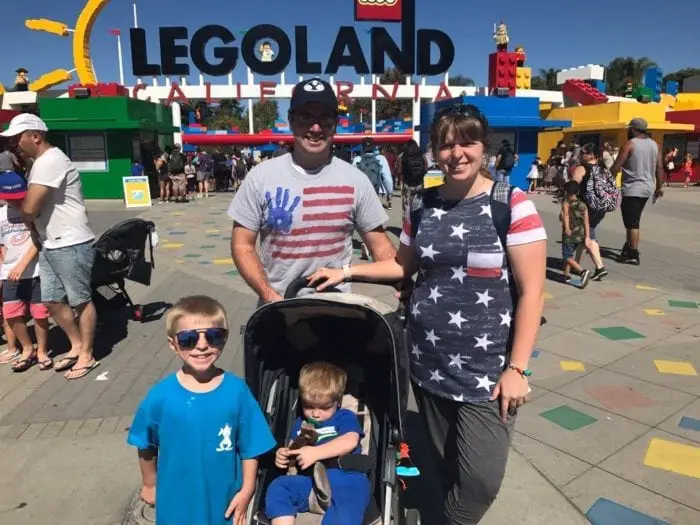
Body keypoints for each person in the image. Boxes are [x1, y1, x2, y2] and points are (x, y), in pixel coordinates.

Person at [309, 104, 547, 524]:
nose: (457, 153)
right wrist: (345, 269)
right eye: (446, 144)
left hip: (487, 373)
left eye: (466, 142)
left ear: (483, 147)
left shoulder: (511, 204)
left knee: (480, 483)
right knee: (444, 462)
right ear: (435, 151)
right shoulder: (423, 205)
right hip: (427, 361)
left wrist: (519, 368)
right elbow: (404, 266)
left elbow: (532, 293)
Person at [228, 77, 395, 304]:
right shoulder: (260, 177)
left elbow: (381, 245)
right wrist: (269, 296)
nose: (315, 128)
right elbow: (242, 244)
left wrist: (399, 282)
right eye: (306, 117)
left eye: (324, 118)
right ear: (291, 121)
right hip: (277, 309)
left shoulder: (356, 180)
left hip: (337, 311)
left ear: (335, 123)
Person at [127, 295, 276, 525]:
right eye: (188, 339)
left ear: (224, 340)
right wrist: (149, 483)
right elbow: (144, 443)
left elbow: (250, 446)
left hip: (224, 501)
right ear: (172, 344)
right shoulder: (161, 396)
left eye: (214, 336)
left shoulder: (236, 391)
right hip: (176, 501)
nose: (202, 345)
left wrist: (248, 489)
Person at [1, 113, 99, 380]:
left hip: (70, 242)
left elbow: (30, 207)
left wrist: (25, 215)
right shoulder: (39, 163)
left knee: (80, 300)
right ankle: (76, 344)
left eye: (17, 138)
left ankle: (87, 354)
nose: (14, 144)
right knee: (52, 300)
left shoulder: (50, 161)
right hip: (50, 243)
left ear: (36, 136)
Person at [265, 362, 370, 524]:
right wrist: (284, 455)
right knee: (279, 487)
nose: (315, 413)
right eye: (308, 406)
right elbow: (293, 448)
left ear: (338, 402)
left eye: (324, 408)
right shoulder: (301, 423)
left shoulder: (343, 417)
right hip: (310, 482)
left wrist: (316, 453)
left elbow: (350, 441)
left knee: (349, 507)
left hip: (345, 478)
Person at [0, 172, 52, 372]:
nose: (16, 203)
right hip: (10, 271)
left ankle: (42, 350)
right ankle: (27, 347)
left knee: (39, 312)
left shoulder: (33, 211)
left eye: (19, 198)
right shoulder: (2, 214)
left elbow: (39, 239)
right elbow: (2, 246)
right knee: (10, 312)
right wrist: (5, 267)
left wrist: (22, 264)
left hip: (35, 269)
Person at [609, 118, 664, 265]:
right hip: (647, 188)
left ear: (633, 129)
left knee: (632, 223)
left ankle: (633, 254)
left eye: (629, 128)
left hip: (633, 188)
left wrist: (607, 180)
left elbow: (617, 165)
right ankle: (628, 247)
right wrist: (659, 187)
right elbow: (659, 167)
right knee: (634, 218)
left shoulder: (630, 144)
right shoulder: (655, 145)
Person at [570, 144, 609, 281]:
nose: (581, 154)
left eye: (583, 152)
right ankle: (577, 264)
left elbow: (573, 186)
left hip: (585, 207)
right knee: (584, 234)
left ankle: (600, 267)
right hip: (600, 207)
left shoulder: (582, 168)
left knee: (588, 235)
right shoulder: (602, 169)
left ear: (592, 155)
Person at [560, 180, 591, 288]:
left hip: (569, 234)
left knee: (566, 256)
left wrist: (567, 228)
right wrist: (587, 236)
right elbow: (586, 221)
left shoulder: (566, 203)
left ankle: (582, 271)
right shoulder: (583, 205)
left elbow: (565, 216)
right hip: (581, 234)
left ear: (566, 192)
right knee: (570, 254)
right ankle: (566, 274)